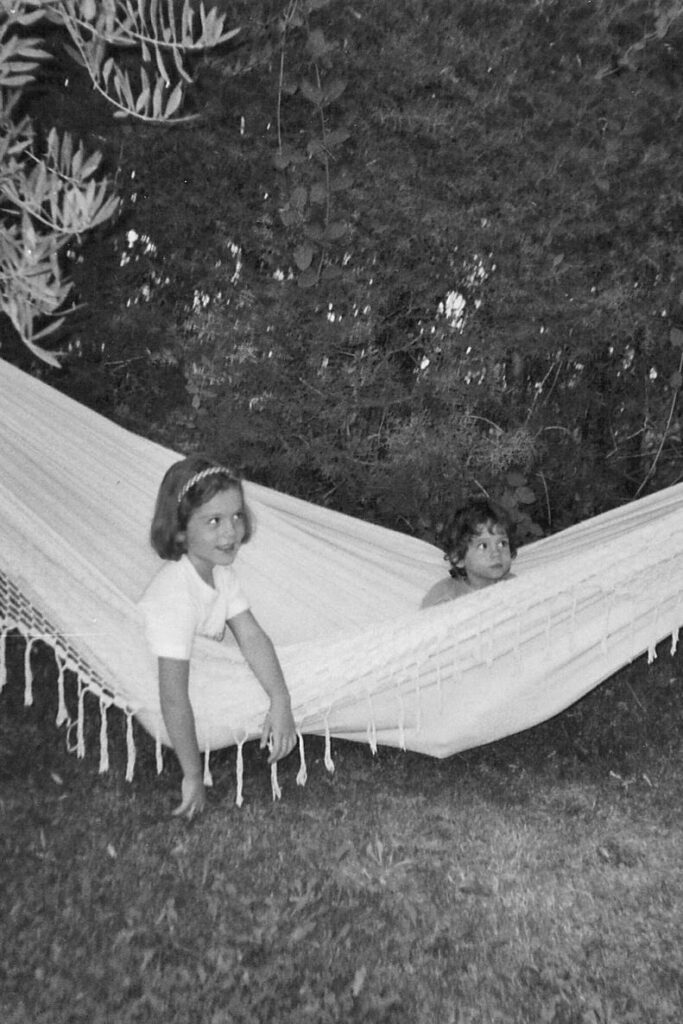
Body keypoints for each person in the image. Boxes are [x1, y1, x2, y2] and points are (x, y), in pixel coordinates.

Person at [138, 455, 297, 818]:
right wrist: (194, 775)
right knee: (295, 674)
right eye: (214, 521)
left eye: (237, 516)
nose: (230, 532)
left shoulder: (219, 574)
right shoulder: (175, 595)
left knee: (279, 670)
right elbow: (172, 697)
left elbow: (252, 637)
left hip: (203, 682)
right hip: (168, 704)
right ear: (180, 530)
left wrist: (281, 699)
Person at [421, 498, 517, 608]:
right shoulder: (446, 597)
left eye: (502, 543)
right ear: (458, 557)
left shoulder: (513, 585)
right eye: (483, 546)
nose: (496, 553)